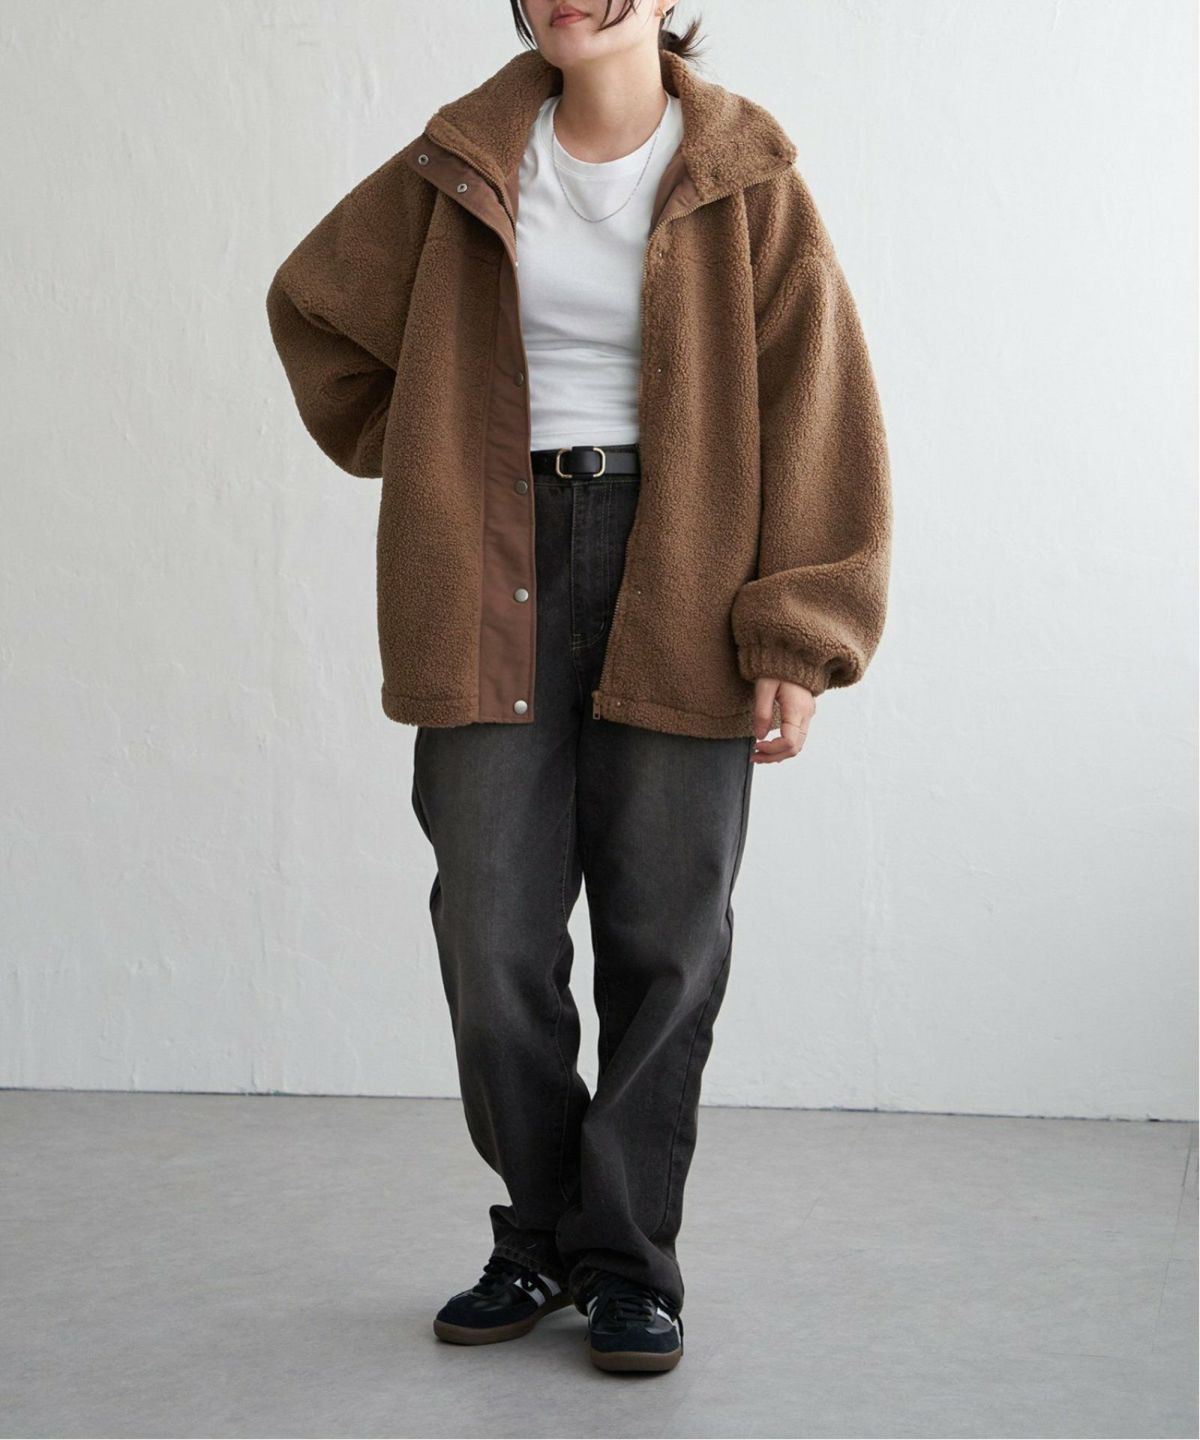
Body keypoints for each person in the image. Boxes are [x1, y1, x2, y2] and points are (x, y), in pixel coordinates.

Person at [266, 0, 892, 1376]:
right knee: (489, 935)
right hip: (490, 564)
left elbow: (818, 406)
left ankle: (628, 1262)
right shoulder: (461, 163)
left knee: (668, 939)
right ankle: (542, 1232)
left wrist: (800, 631)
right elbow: (314, 306)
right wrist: (431, 444)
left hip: (685, 565)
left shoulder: (745, 178)